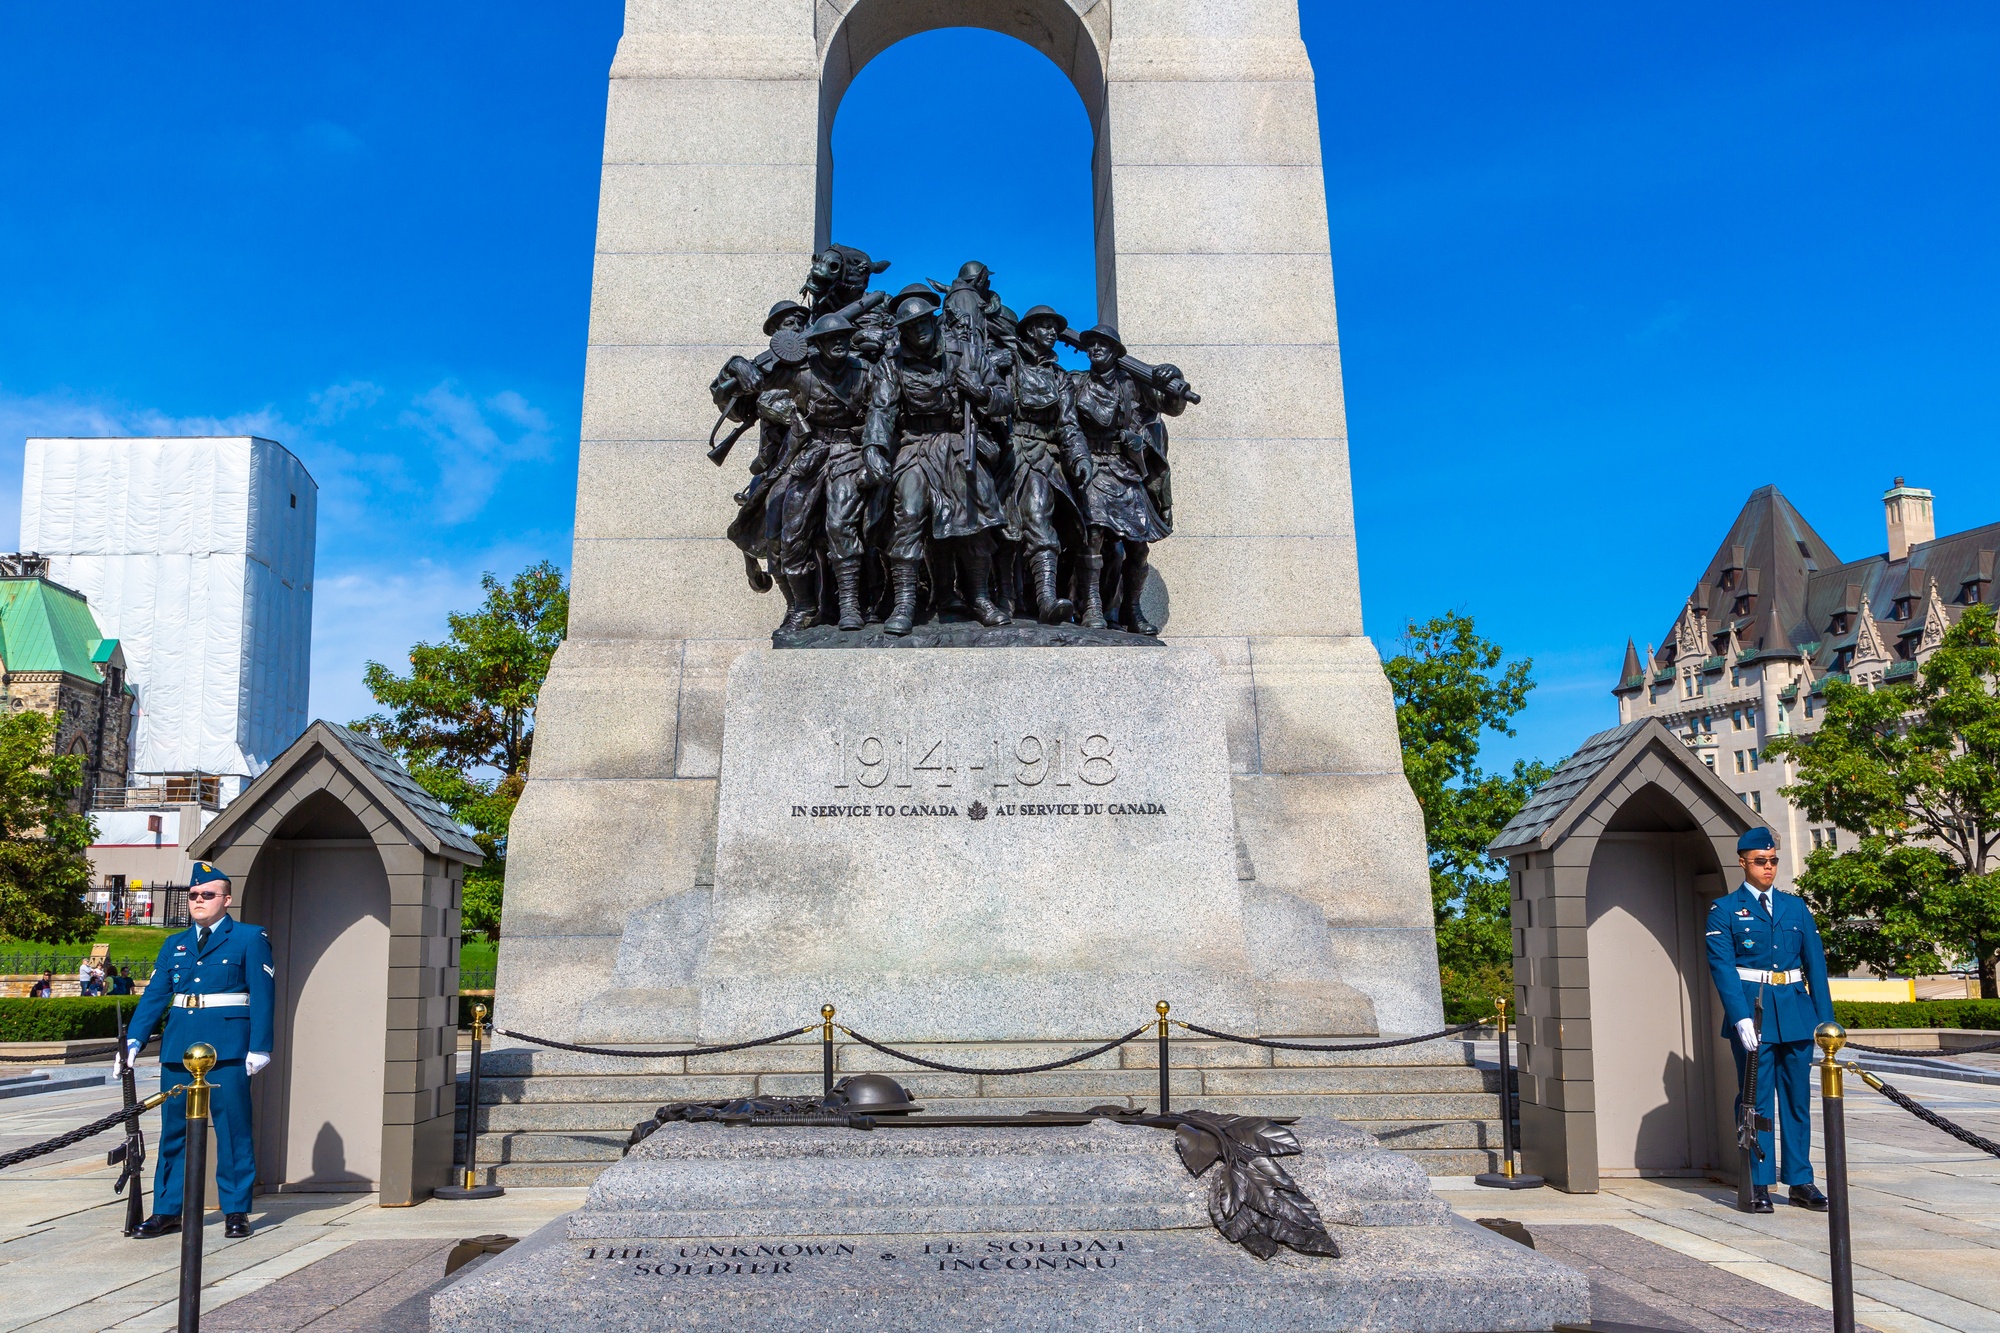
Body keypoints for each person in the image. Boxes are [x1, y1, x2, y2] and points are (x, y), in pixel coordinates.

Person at [123, 862, 274, 1240]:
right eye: (193, 895)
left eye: (207, 894)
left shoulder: (249, 938)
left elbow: (263, 996)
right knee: (173, 1131)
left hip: (227, 1048)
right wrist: (134, 1039)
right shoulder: (174, 943)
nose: (198, 901)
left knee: (232, 1129)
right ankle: (168, 1210)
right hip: (179, 1047)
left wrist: (260, 1047)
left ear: (226, 899)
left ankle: (236, 1210)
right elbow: (157, 994)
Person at [1704, 827, 1834, 1214]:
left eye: (1773, 860)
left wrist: (1826, 1023)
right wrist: (1739, 1016)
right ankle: (1758, 1182)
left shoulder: (1796, 908)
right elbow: (1722, 967)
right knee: (1756, 1103)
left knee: (1797, 1100)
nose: (1768, 867)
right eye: (1761, 861)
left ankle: (1800, 1179)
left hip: (1795, 1010)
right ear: (1742, 862)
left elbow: (1816, 966)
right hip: (1754, 1012)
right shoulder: (1724, 910)